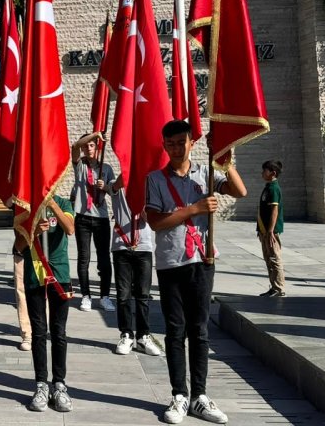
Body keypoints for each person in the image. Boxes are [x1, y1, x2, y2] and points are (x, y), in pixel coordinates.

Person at [146, 120, 247, 425]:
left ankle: (200, 396)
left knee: (200, 331)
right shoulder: (155, 179)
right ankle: (179, 394)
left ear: (192, 142)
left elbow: (240, 191)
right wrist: (193, 209)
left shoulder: (206, 174)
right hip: (170, 263)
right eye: (171, 144)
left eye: (182, 142)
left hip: (201, 262)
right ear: (165, 146)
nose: (177, 148)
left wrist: (227, 164)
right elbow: (154, 221)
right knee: (175, 331)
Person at [20, 197, 76, 413]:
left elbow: (70, 229)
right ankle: (41, 384)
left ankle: (59, 384)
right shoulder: (25, 207)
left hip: (60, 273)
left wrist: (52, 205)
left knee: (59, 332)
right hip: (35, 273)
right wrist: (33, 232)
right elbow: (18, 245)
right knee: (39, 332)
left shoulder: (63, 204)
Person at [109, 173, 163, 357]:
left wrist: (143, 204)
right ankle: (126, 333)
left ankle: (143, 336)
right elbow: (117, 185)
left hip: (143, 247)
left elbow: (152, 219)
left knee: (143, 295)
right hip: (121, 247)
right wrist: (132, 164)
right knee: (123, 295)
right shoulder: (118, 188)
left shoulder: (150, 191)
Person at [70, 133, 116, 312]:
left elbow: (114, 190)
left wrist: (104, 187)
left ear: (98, 147)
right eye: (85, 146)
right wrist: (94, 134)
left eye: (91, 145)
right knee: (84, 258)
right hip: (82, 217)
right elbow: (74, 147)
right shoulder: (80, 165)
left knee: (104, 259)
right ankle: (86, 296)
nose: (88, 149)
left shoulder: (106, 168)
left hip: (101, 218)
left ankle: (105, 296)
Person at [257, 160, 286, 298]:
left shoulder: (274, 189)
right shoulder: (268, 187)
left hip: (271, 232)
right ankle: (273, 286)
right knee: (268, 259)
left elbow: (274, 210)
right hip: (264, 231)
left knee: (274, 258)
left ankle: (279, 288)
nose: (262, 173)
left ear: (273, 173)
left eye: (265, 170)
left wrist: (270, 230)